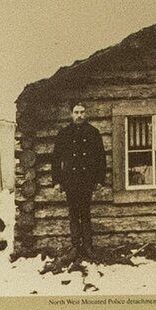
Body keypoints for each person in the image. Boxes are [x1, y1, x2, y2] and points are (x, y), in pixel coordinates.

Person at [47, 102, 110, 270]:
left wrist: (99, 180)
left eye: (82, 112)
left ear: (86, 113)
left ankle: (88, 247)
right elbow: (56, 159)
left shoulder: (93, 133)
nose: (79, 115)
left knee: (86, 213)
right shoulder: (64, 133)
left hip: (87, 180)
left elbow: (101, 158)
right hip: (71, 181)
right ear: (71, 114)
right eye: (76, 112)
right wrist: (57, 181)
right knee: (74, 214)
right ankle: (75, 247)